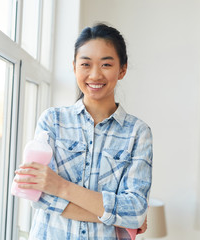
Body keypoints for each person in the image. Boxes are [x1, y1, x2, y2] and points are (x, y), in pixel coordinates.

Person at [14, 23, 153, 240]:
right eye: (86, 64)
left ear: (122, 69)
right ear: (75, 67)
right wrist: (119, 216)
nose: (95, 75)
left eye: (106, 64)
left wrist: (60, 186)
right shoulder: (52, 120)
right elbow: (38, 197)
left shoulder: (138, 133)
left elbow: (135, 210)